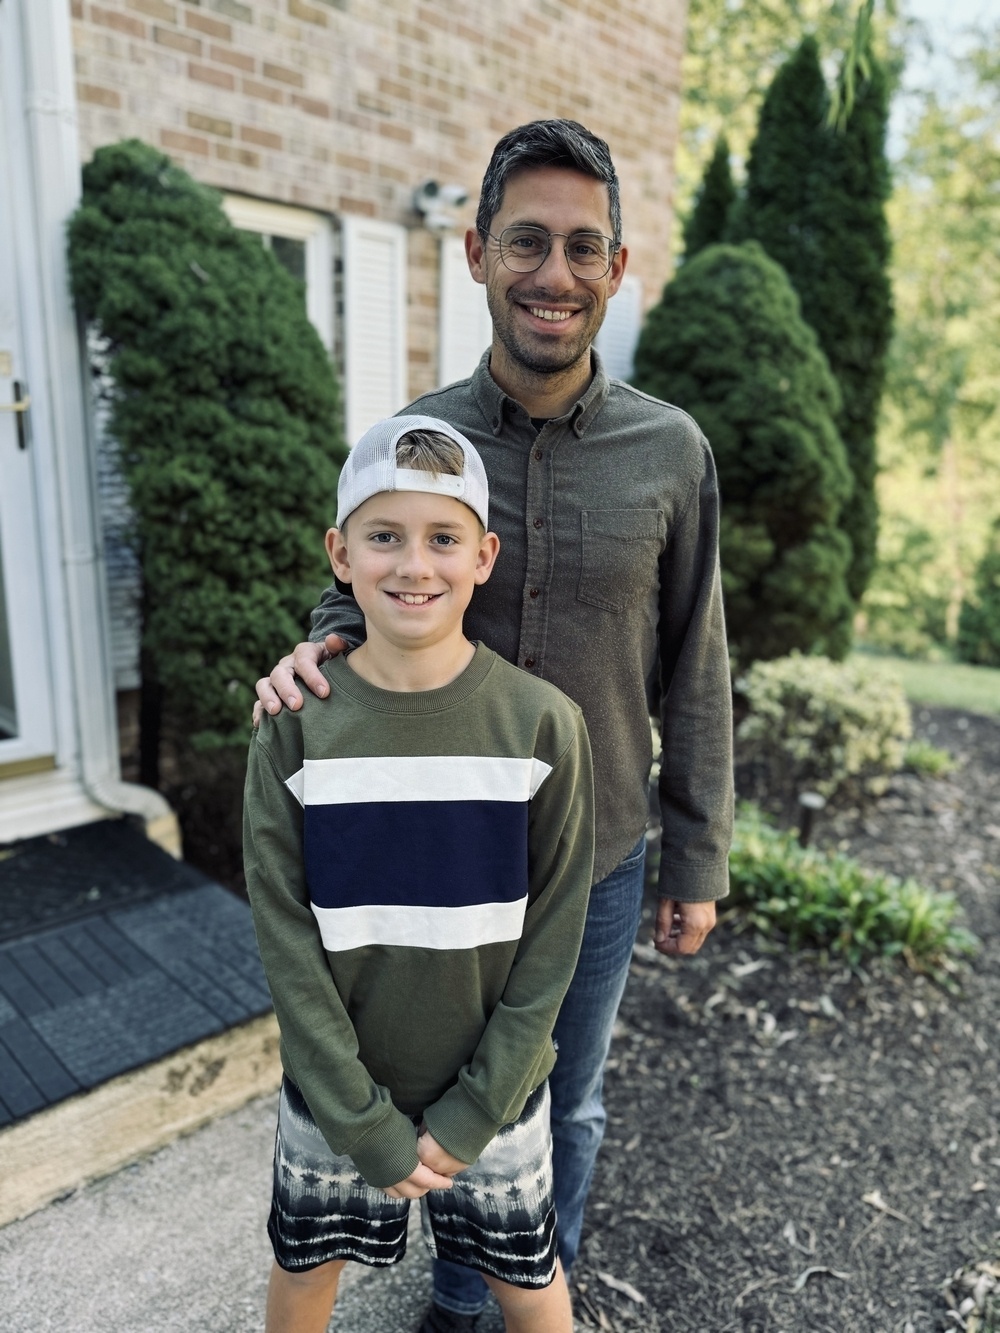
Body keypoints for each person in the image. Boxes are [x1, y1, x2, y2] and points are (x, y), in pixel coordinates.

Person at [255, 119, 735, 1332]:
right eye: (526, 241)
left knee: (556, 1103)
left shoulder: (668, 451)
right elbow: (353, 595)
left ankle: (481, 1296)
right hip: (419, 854)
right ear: (476, 252)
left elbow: (695, 660)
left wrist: (700, 854)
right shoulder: (416, 438)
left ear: (616, 269)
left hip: (600, 851)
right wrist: (306, 657)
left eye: (583, 248)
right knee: (412, 1085)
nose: (553, 274)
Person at [244, 416, 596, 1333]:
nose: (414, 565)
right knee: (306, 1268)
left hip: (496, 1089)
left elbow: (556, 938)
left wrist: (477, 1106)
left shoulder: (542, 725)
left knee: (529, 1280)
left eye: (442, 539)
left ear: (484, 555)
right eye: (384, 536)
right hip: (335, 1090)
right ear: (340, 552)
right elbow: (285, 934)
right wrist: (360, 1116)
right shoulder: (292, 726)